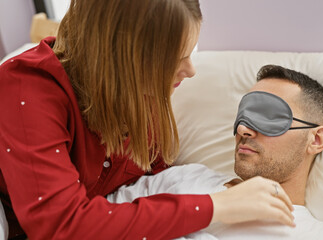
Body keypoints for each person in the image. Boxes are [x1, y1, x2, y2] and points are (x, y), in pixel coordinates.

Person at [0, 1, 294, 239]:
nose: (190, 70)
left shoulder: (142, 97)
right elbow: (62, 226)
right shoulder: (26, 89)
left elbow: (155, 178)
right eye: (175, 58)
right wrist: (215, 206)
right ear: (122, 58)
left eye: (190, 53)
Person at [108, 65, 323, 239]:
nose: (243, 128)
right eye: (243, 115)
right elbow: (97, 227)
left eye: (268, 116)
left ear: (316, 139)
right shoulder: (184, 178)